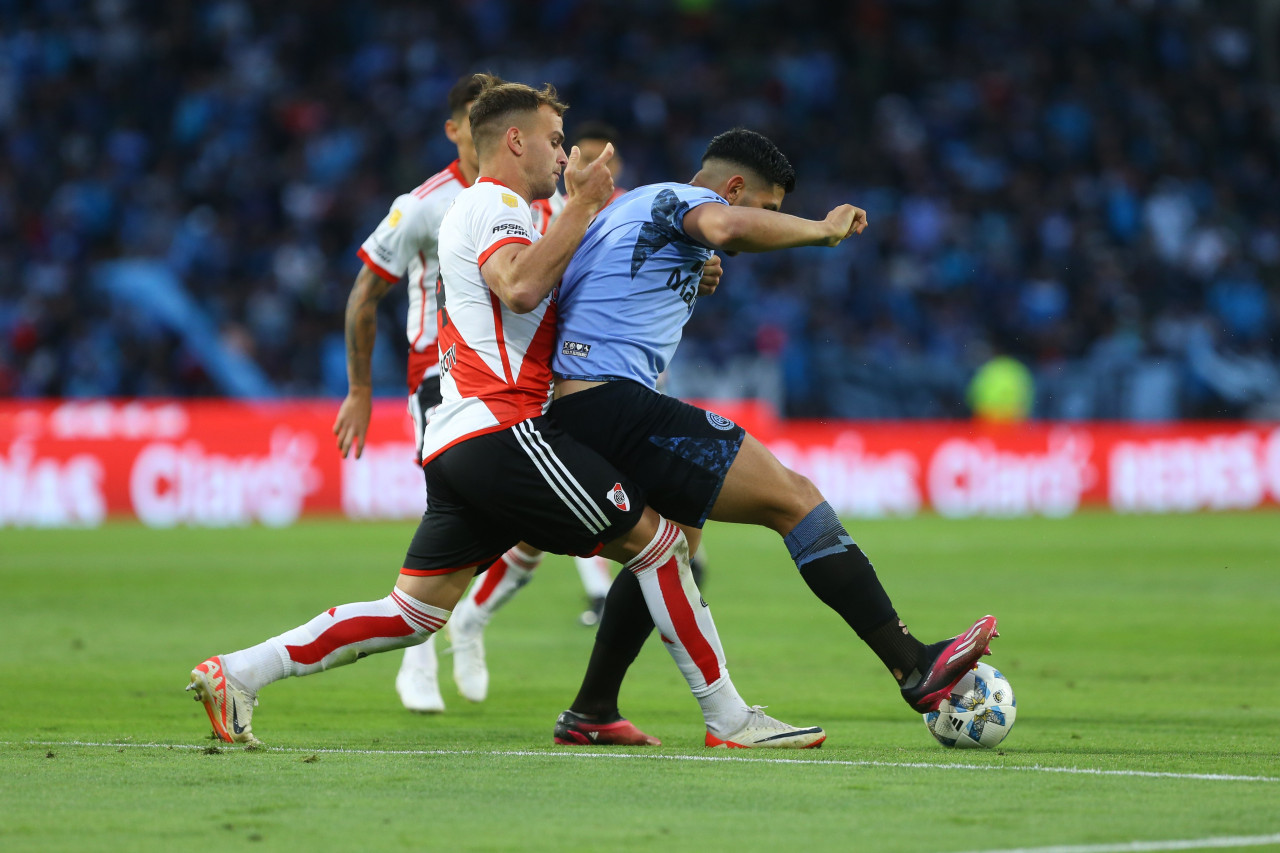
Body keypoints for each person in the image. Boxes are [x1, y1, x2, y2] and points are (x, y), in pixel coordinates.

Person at [187, 77, 824, 751]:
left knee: (411, 613)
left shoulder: (500, 211)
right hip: (505, 428)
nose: (563, 155)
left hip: (458, 440)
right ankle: (729, 719)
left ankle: (237, 672)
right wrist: (583, 205)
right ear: (515, 140)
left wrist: (679, 267)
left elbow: (550, 287)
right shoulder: (494, 204)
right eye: (554, 140)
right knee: (663, 544)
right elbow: (520, 286)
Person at [545, 128, 998, 744]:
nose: (770, 224)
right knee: (795, 498)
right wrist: (821, 229)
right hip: (609, 404)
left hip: (586, 406)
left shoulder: (636, 205)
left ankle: (593, 709)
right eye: (769, 208)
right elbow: (729, 229)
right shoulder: (682, 201)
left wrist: (693, 264)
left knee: (669, 544)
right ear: (732, 189)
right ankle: (914, 664)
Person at [332, 74, 558, 714]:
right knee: (449, 519)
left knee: (531, 531)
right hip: (442, 376)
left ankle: (470, 621)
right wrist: (359, 389)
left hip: (523, 375)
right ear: (457, 129)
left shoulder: (540, 194)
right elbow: (364, 293)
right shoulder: (424, 204)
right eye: (462, 119)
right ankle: (418, 655)